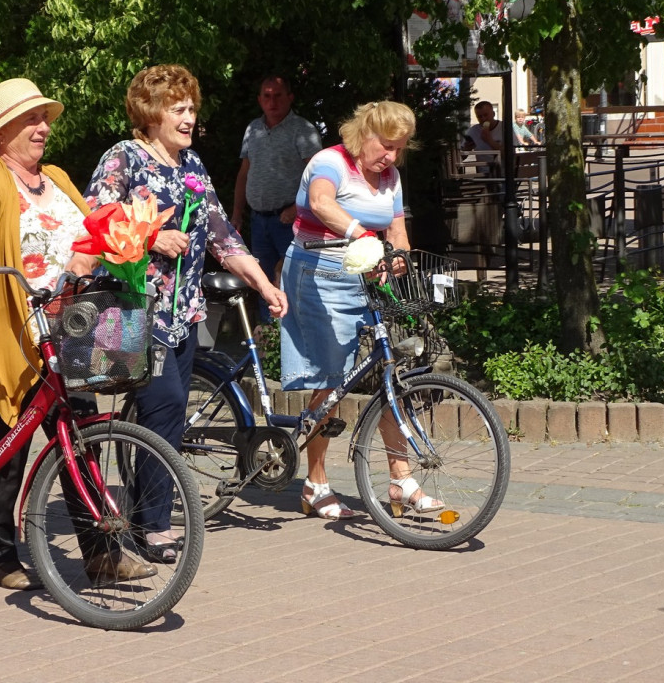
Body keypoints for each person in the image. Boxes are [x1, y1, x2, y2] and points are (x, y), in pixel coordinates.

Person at [0, 78, 156, 590]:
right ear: (2, 132)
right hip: (13, 332)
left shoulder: (59, 177)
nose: (43, 127)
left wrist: (131, 238)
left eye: (44, 117)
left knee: (81, 438)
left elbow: (96, 228)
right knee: (7, 443)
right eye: (31, 119)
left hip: (68, 331)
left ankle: (102, 553)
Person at [84, 64, 287, 561]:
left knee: (165, 417)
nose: (189, 117)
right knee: (168, 406)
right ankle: (154, 524)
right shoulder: (124, 159)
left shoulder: (192, 165)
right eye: (179, 109)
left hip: (182, 314)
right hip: (131, 312)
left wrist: (263, 283)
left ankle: (138, 514)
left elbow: (221, 232)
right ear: (151, 113)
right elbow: (96, 219)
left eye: (192, 108)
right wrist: (152, 236)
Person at [280, 100, 443, 520]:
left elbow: (398, 229)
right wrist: (361, 236)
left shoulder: (391, 177)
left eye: (400, 148)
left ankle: (400, 478)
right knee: (333, 377)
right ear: (363, 135)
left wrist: (397, 256)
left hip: (367, 279)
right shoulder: (330, 161)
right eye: (387, 145)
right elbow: (320, 203)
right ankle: (315, 483)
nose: (392, 156)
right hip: (319, 276)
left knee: (393, 370)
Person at [230, 75, 322, 320]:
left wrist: (296, 208)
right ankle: (268, 341)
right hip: (259, 221)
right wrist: (237, 214)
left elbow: (320, 175)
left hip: (290, 221)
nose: (273, 101)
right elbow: (244, 173)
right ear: (260, 100)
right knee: (263, 281)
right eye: (267, 96)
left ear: (290, 97)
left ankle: (296, 339)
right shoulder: (253, 129)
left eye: (278, 95)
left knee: (294, 280)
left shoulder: (303, 130)